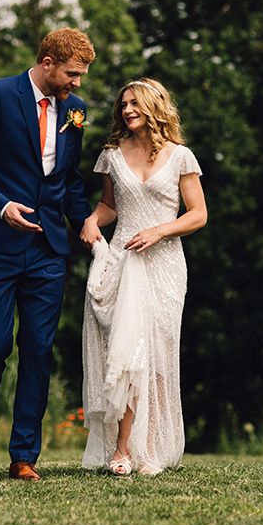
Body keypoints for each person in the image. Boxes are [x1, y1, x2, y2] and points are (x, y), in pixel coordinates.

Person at [0, 28, 95, 481]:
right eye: (73, 74)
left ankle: (24, 456)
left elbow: (68, 178)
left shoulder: (76, 112)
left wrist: (86, 225)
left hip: (49, 248)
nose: (78, 83)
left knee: (38, 349)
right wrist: (0, 205)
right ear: (49, 62)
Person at [79, 78, 207, 476]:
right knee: (128, 352)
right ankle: (121, 450)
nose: (127, 110)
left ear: (154, 106)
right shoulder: (112, 155)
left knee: (157, 359)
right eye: (124, 104)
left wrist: (160, 230)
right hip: (123, 262)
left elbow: (198, 213)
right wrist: (90, 220)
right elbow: (110, 206)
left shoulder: (181, 156)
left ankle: (149, 444)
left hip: (165, 266)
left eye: (135, 103)